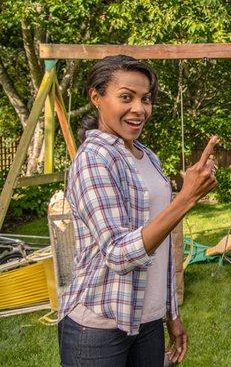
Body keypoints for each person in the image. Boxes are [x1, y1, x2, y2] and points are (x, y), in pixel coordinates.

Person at [57, 55, 219, 366]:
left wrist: (169, 312)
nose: (139, 109)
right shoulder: (94, 159)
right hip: (99, 324)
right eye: (126, 97)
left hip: (146, 322)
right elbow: (119, 254)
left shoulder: (147, 156)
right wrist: (186, 198)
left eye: (145, 99)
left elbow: (162, 247)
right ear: (96, 97)